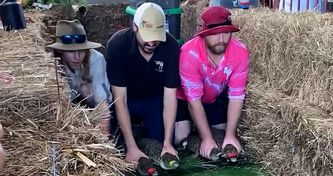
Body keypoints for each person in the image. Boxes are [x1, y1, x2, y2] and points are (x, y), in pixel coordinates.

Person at [106, 3, 180, 167]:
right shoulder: (117, 45)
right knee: (113, 143)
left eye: (157, 36)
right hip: (126, 99)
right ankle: (132, 139)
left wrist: (168, 143)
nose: (152, 42)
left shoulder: (172, 47)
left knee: (162, 141)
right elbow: (120, 100)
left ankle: (145, 135)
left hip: (153, 100)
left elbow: (170, 98)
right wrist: (131, 147)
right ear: (135, 26)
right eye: (147, 35)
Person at [175, 6, 249, 160]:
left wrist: (230, 134)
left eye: (226, 33)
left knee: (222, 138)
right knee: (179, 137)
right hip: (186, 100)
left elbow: (236, 96)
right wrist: (207, 138)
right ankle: (194, 136)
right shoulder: (189, 53)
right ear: (203, 34)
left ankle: (205, 132)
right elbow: (193, 101)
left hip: (213, 99)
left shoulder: (241, 52)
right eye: (215, 34)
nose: (221, 39)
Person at [47, 20, 112, 134]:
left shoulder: (96, 59)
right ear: (60, 50)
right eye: (71, 51)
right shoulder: (51, 64)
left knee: (88, 90)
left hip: (93, 107)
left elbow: (102, 105)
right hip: (70, 109)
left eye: (81, 50)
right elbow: (59, 108)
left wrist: (104, 139)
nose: (77, 57)